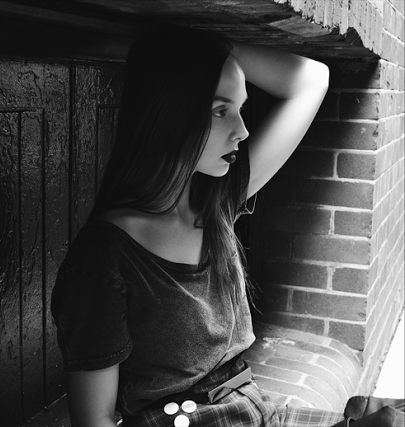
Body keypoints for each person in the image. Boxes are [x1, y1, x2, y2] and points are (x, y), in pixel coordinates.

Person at [51, 28, 404, 427]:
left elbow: (311, 80)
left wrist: (204, 49)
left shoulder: (215, 202)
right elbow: (93, 421)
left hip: (257, 412)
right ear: (169, 111)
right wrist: (184, 57)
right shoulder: (102, 259)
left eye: (240, 108)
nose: (243, 129)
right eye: (221, 111)